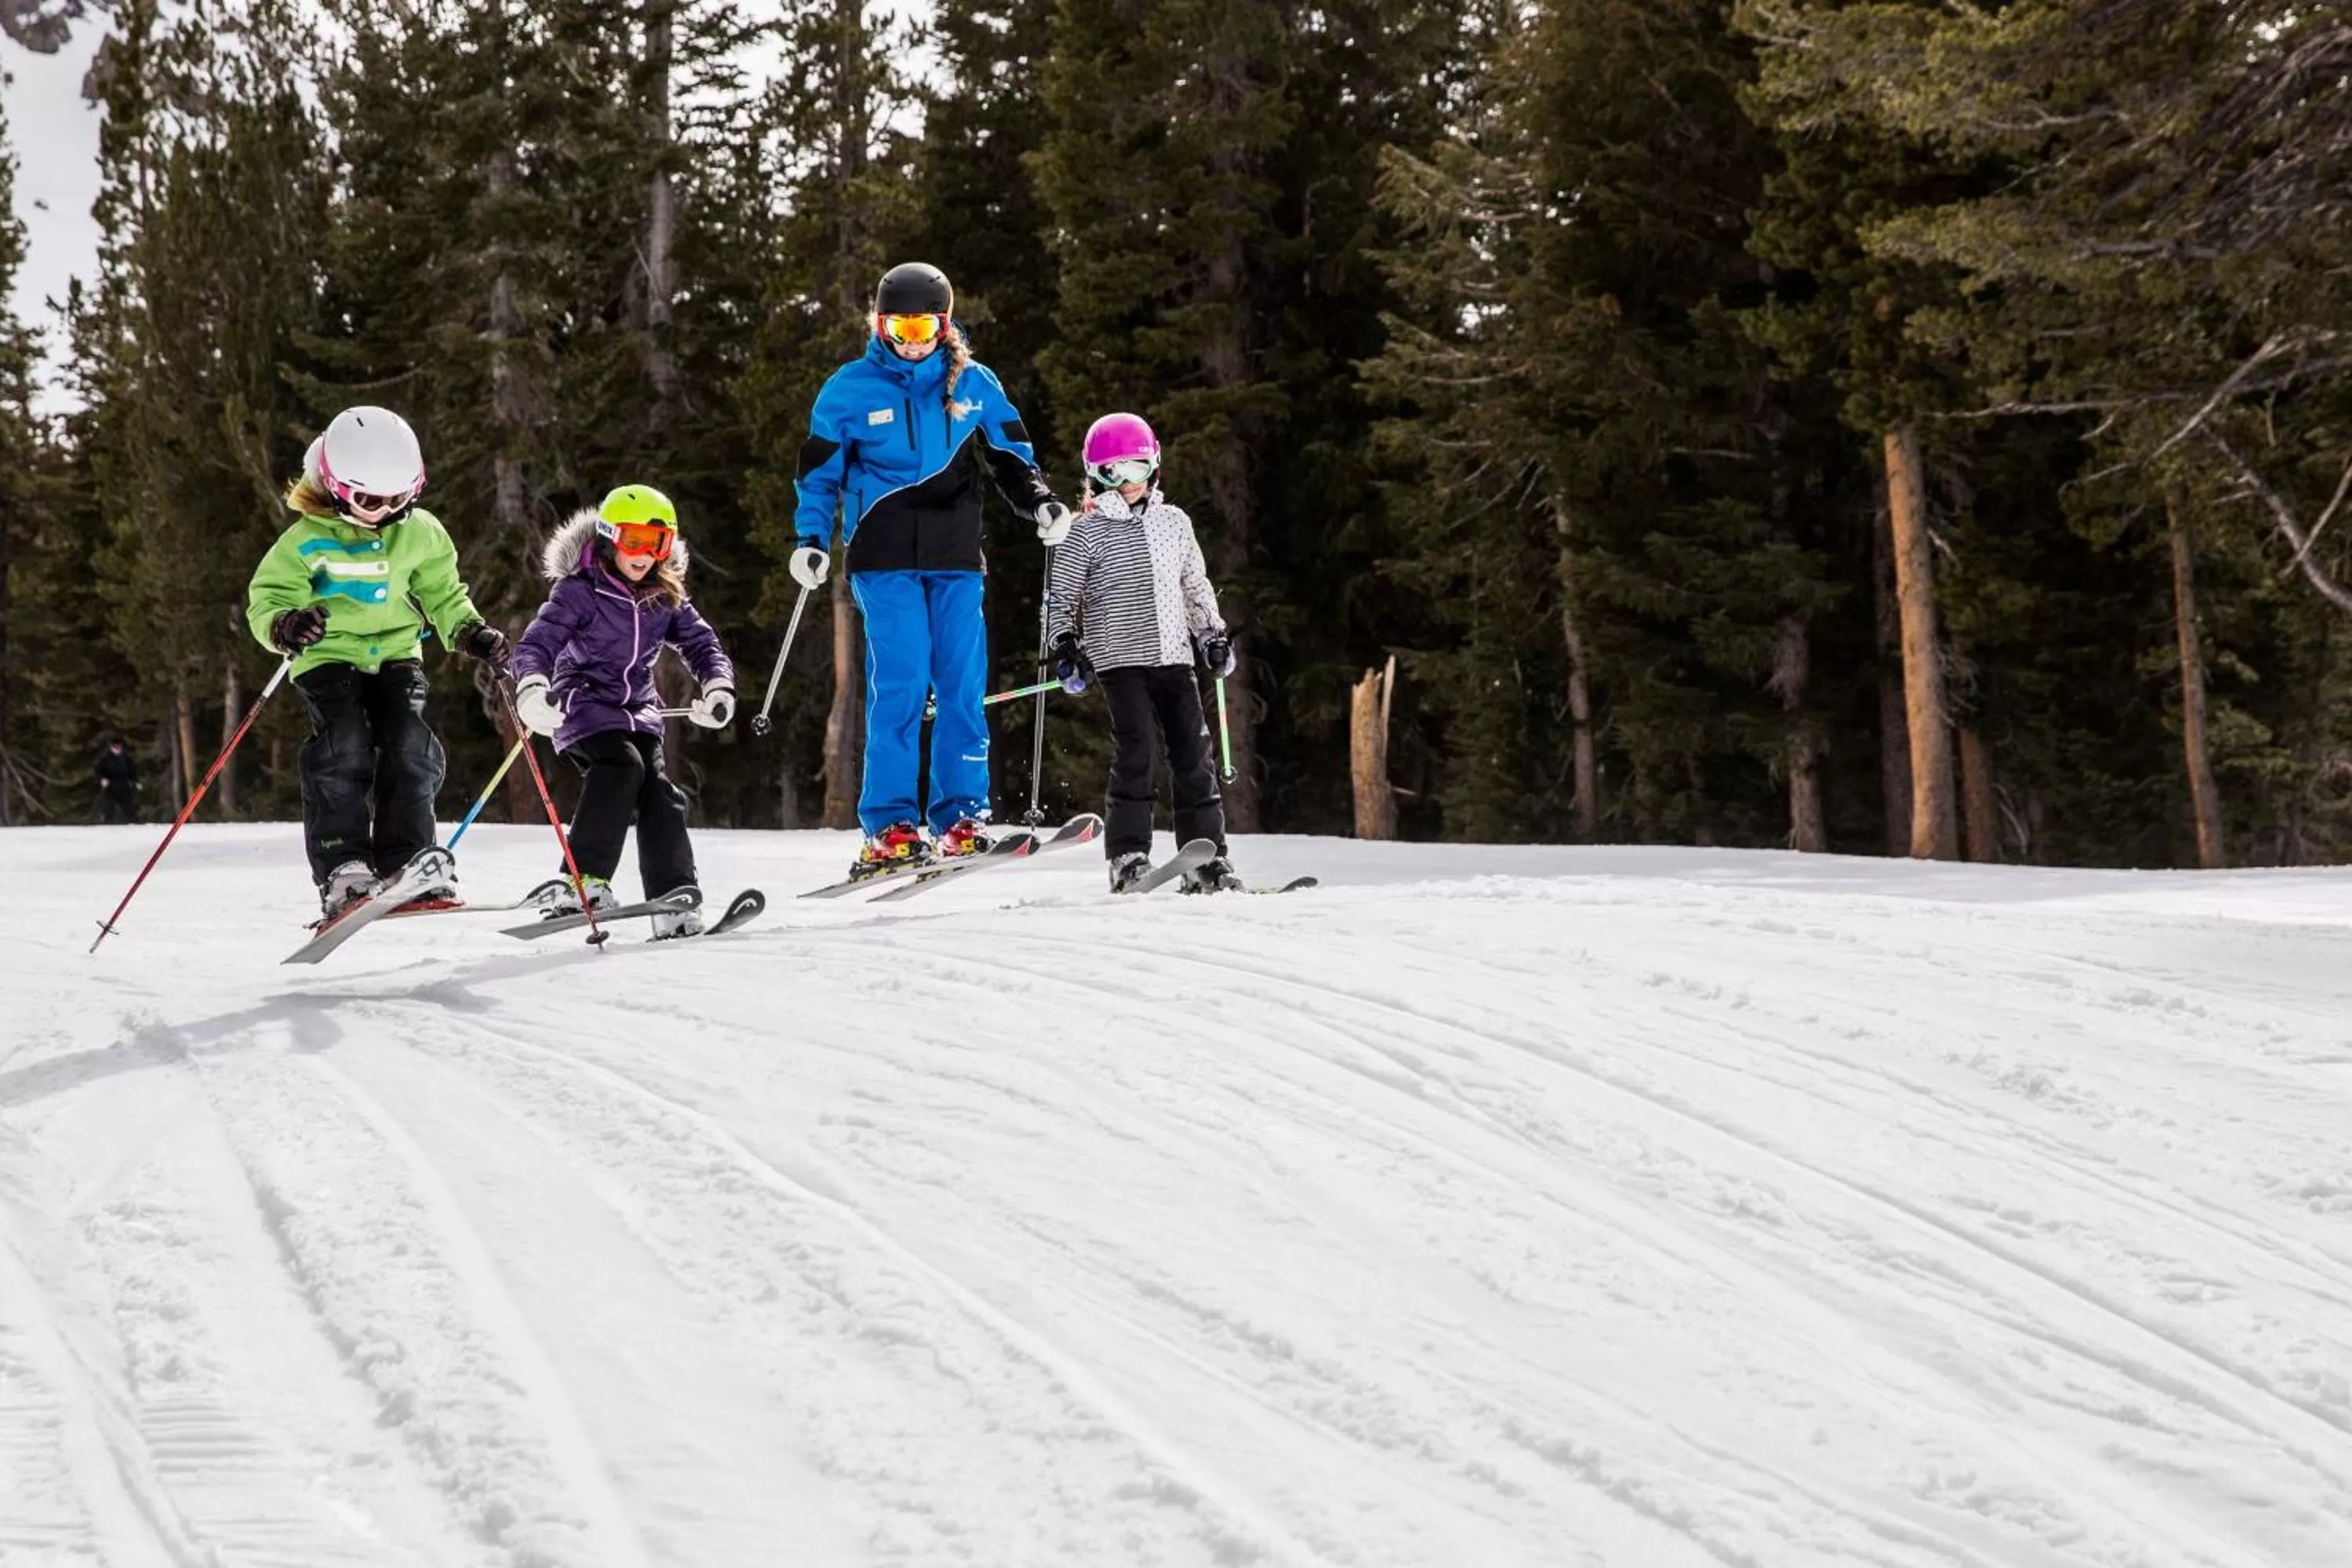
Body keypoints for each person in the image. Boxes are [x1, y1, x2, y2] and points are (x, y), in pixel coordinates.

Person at [790, 261, 1071, 879]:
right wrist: (810, 537)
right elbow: (819, 474)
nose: (912, 338)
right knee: (903, 683)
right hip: (882, 556)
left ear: (945, 324)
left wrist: (1041, 502)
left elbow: (1011, 457)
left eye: (924, 324)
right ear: (880, 323)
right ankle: (890, 824)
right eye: (900, 324)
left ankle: (960, 817)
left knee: (962, 685)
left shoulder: (973, 382)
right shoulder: (849, 388)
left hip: (954, 558)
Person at [245, 405, 508, 918]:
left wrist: (469, 631)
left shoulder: (423, 534)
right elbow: (268, 599)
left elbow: (443, 594)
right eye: (368, 499)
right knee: (343, 748)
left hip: (395, 655)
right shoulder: (304, 540)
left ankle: (408, 862)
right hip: (328, 656)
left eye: (399, 498)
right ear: (337, 487)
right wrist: (286, 625)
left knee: (410, 746)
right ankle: (344, 870)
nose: (383, 510)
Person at [509, 485, 735, 939]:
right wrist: (533, 686)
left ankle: (674, 898)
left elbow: (700, 642)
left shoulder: (664, 594)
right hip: (582, 707)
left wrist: (717, 685)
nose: (645, 554)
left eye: (658, 544)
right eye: (634, 541)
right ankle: (583, 881)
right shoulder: (579, 591)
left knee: (662, 796)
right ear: (611, 538)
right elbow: (538, 642)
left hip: (638, 713)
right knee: (620, 768)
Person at [1046, 412, 1241, 894]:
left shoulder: (1174, 522)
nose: (1127, 482)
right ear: (1094, 475)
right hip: (1120, 662)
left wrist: (1212, 637)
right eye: (1112, 473)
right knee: (1138, 752)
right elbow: (1061, 598)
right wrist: (1065, 646)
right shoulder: (1084, 531)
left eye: (1135, 468)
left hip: (1174, 659)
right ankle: (1128, 855)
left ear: (1154, 466)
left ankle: (1206, 858)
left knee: (1195, 756)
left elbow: (1195, 585)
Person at [94, 739, 140, 824]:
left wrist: (136, 781)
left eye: (119, 746)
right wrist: (101, 779)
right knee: (109, 807)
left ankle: (135, 822)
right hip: (110, 786)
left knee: (129, 806)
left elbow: (132, 770)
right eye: (115, 746)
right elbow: (97, 771)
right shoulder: (104, 757)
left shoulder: (126, 757)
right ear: (112, 747)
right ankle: (107, 823)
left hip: (123, 784)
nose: (118, 748)